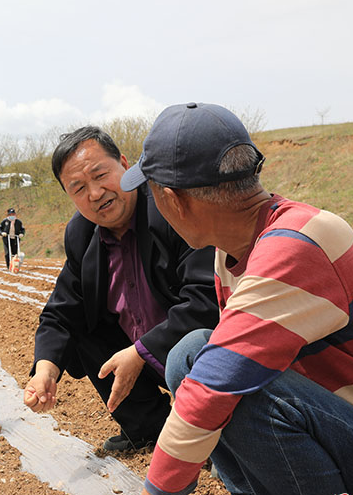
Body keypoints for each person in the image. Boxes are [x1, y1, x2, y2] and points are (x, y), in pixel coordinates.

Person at [121, 103, 353, 495]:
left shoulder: (298, 244)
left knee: (229, 379)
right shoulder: (236, 250)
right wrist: (255, 487)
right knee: (191, 354)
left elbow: (216, 384)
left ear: (173, 199)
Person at [23, 126, 219, 452]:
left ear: (125, 165)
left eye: (101, 175)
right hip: (144, 359)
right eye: (79, 188)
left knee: (195, 344)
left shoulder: (169, 207)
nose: (95, 193)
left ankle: (221, 436)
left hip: (201, 352)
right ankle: (148, 429)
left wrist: (141, 351)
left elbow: (207, 299)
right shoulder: (81, 234)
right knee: (84, 329)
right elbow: (61, 311)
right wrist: (45, 370)